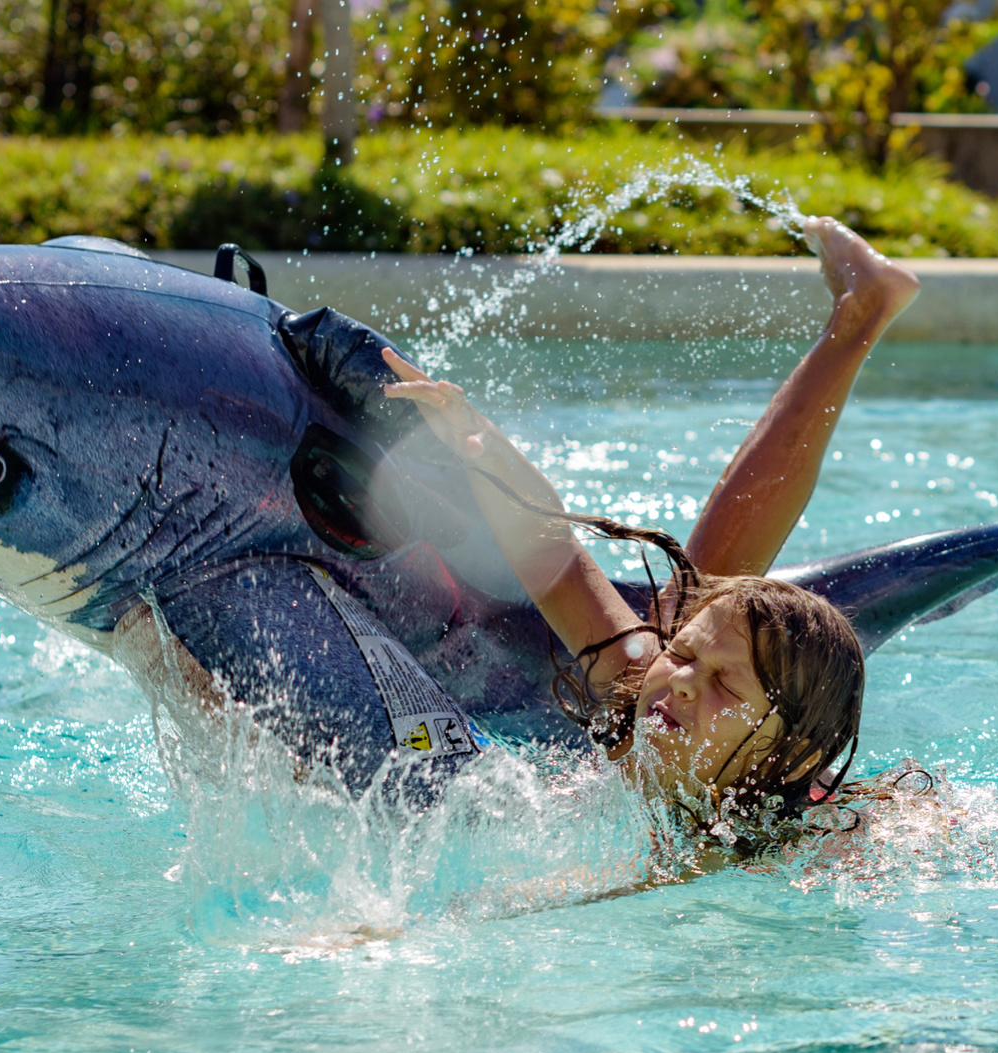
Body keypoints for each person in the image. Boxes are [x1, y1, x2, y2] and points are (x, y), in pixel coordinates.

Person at [382, 217, 922, 852]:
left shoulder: (783, 840)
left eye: (723, 685)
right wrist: (481, 445)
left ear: (796, 756)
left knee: (690, 600)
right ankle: (858, 317)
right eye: (688, 657)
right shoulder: (640, 689)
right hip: (721, 756)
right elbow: (556, 564)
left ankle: (860, 316)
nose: (686, 680)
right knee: (686, 606)